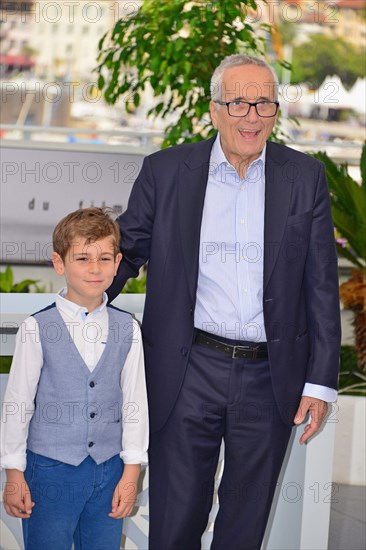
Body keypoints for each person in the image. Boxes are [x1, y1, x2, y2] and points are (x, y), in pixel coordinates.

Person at [107, 55, 341, 550]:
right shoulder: (166, 171)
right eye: (239, 102)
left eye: (265, 103)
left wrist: (321, 382)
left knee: (244, 526)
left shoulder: (305, 177)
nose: (252, 115)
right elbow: (125, 252)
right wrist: (81, 306)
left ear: (276, 111)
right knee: (173, 522)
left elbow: (321, 284)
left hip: (270, 375)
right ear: (214, 110)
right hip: (186, 369)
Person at [0, 207, 149, 550]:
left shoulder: (128, 328)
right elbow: (18, 404)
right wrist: (13, 472)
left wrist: (131, 472)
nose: (95, 269)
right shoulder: (37, 328)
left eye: (104, 258)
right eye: (82, 258)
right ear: (59, 262)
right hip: (50, 471)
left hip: (109, 472)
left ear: (118, 262)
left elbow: (135, 404)